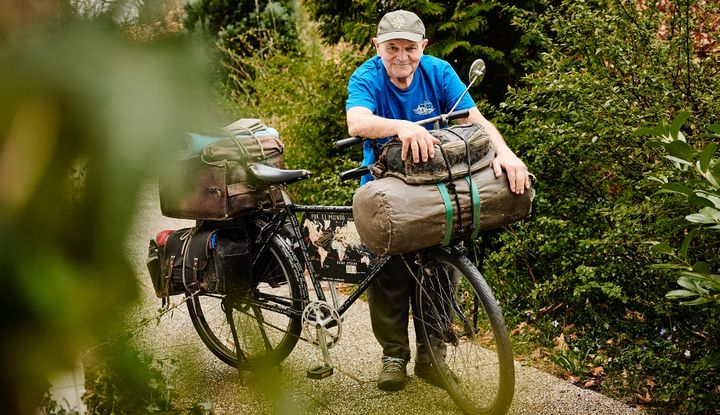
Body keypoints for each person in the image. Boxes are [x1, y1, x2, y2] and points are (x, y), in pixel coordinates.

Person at [345, 10, 530, 391]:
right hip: (387, 183)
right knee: (390, 272)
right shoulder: (367, 76)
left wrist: (507, 154)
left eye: (410, 48)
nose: (401, 56)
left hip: (437, 182)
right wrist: (402, 126)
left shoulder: (439, 72)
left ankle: (433, 358)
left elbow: (475, 121)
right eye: (392, 47)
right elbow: (357, 122)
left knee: (443, 270)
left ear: (422, 47)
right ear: (377, 47)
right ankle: (393, 355)